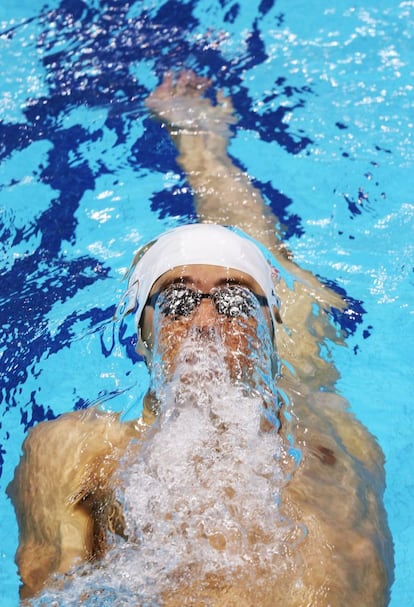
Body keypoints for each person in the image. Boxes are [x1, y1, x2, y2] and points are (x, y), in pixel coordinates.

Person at [7, 72, 393, 605]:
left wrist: (204, 148)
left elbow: (268, 254)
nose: (207, 324)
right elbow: (48, 590)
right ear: (143, 336)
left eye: (235, 301)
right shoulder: (72, 451)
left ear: (268, 330)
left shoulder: (339, 439)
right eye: (180, 303)